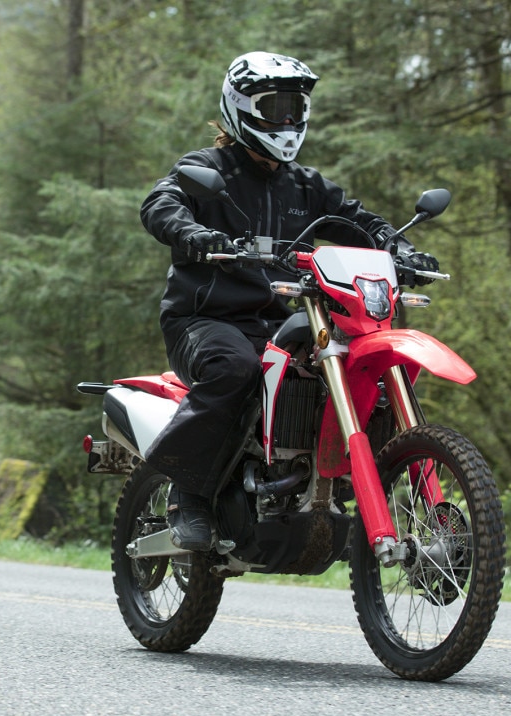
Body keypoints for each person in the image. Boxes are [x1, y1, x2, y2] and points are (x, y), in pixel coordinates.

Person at [139, 51, 438, 551]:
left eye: (295, 108)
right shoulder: (206, 169)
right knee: (235, 369)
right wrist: (194, 234)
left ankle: (335, 483)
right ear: (241, 107)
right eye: (274, 107)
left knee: (345, 368)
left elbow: (357, 220)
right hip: (204, 321)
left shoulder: (305, 184)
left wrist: (400, 247)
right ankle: (185, 494)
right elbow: (160, 203)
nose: (287, 120)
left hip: (276, 322)